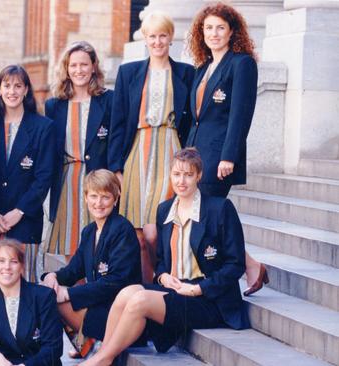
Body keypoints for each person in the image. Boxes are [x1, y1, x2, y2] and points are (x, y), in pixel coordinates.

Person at [79, 148, 250, 366]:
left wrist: (199, 289)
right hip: (176, 290)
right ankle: (105, 353)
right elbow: (160, 262)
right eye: (177, 175)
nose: (182, 181)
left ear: (199, 175)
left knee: (140, 299)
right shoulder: (165, 210)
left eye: (188, 175)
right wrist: (163, 278)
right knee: (127, 292)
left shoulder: (220, 208)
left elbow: (236, 265)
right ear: (170, 176)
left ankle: (103, 359)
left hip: (208, 299)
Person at [108, 12, 195, 284]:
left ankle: (166, 275)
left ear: (171, 38)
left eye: (162, 36)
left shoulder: (186, 72)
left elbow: (192, 118)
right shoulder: (129, 72)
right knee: (138, 235)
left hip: (171, 149)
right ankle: (149, 289)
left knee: (155, 230)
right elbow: (118, 122)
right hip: (137, 151)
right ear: (144, 39)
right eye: (152, 36)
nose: (157, 42)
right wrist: (116, 168)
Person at [186, 2, 267, 296]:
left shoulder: (242, 63)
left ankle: (235, 271)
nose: (214, 33)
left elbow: (241, 114)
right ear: (201, 32)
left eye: (221, 27)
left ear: (232, 31)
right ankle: (251, 266)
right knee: (208, 216)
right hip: (196, 155)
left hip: (220, 156)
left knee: (208, 215)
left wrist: (229, 156)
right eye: (208, 28)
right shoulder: (204, 68)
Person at [41, 169, 141, 358]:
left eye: (105, 197)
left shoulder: (122, 230)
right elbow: (73, 270)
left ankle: (94, 344)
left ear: (115, 199)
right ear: (86, 198)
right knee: (46, 292)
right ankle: (86, 343)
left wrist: (68, 293)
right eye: (93, 196)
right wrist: (51, 276)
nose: (98, 203)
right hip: (100, 304)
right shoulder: (89, 231)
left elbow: (116, 282)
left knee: (55, 301)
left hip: (119, 312)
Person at [0, 65, 55, 283]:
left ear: (26, 90)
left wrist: (19, 211)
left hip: (26, 221)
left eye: (18, 86)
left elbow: (44, 177)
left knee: (23, 283)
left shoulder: (43, 127)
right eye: (7, 86)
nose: (12, 91)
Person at [45, 41, 113, 260]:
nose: (79, 70)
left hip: (98, 181)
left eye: (84, 64)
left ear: (93, 66)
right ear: (66, 69)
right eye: (73, 65)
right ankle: (77, 292)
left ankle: (94, 292)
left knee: (98, 245)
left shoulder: (108, 100)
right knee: (70, 246)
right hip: (67, 182)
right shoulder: (54, 105)